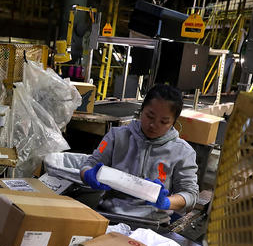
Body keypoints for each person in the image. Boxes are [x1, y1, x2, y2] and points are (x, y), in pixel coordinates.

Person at [80, 84, 198, 222]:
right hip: (108, 215)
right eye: (149, 116)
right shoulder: (116, 136)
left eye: (163, 121)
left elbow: (190, 195)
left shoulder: (183, 152)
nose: (153, 125)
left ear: (173, 122)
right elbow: (88, 165)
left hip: (153, 223)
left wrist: (166, 202)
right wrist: (88, 174)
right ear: (141, 110)